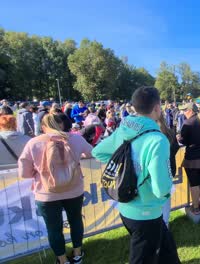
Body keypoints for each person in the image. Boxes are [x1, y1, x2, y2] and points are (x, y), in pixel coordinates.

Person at [92, 87, 180, 263]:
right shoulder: (157, 139)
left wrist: (128, 168)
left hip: (127, 206)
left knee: (167, 252)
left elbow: (99, 152)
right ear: (157, 108)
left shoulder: (125, 127)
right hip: (145, 212)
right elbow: (161, 188)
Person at [18, 113, 93, 264]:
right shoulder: (76, 138)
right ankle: (78, 254)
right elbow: (92, 152)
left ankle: (62, 260)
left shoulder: (34, 143)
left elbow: (24, 173)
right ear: (62, 125)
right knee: (76, 220)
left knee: (54, 228)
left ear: (43, 127)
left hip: (46, 193)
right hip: (74, 189)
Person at [177, 102, 200, 215]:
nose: (183, 112)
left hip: (192, 159)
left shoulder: (188, 123)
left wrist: (179, 138)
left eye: (184, 110)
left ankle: (196, 208)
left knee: (194, 184)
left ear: (190, 111)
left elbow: (182, 140)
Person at [156, 113, 179, 228]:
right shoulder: (169, 133)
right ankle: (165, 223)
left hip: (158, 170)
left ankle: (162, 223)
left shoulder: (152, 134)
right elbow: (175, 148)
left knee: (158, 198)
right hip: (168, 168)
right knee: (165, 197)